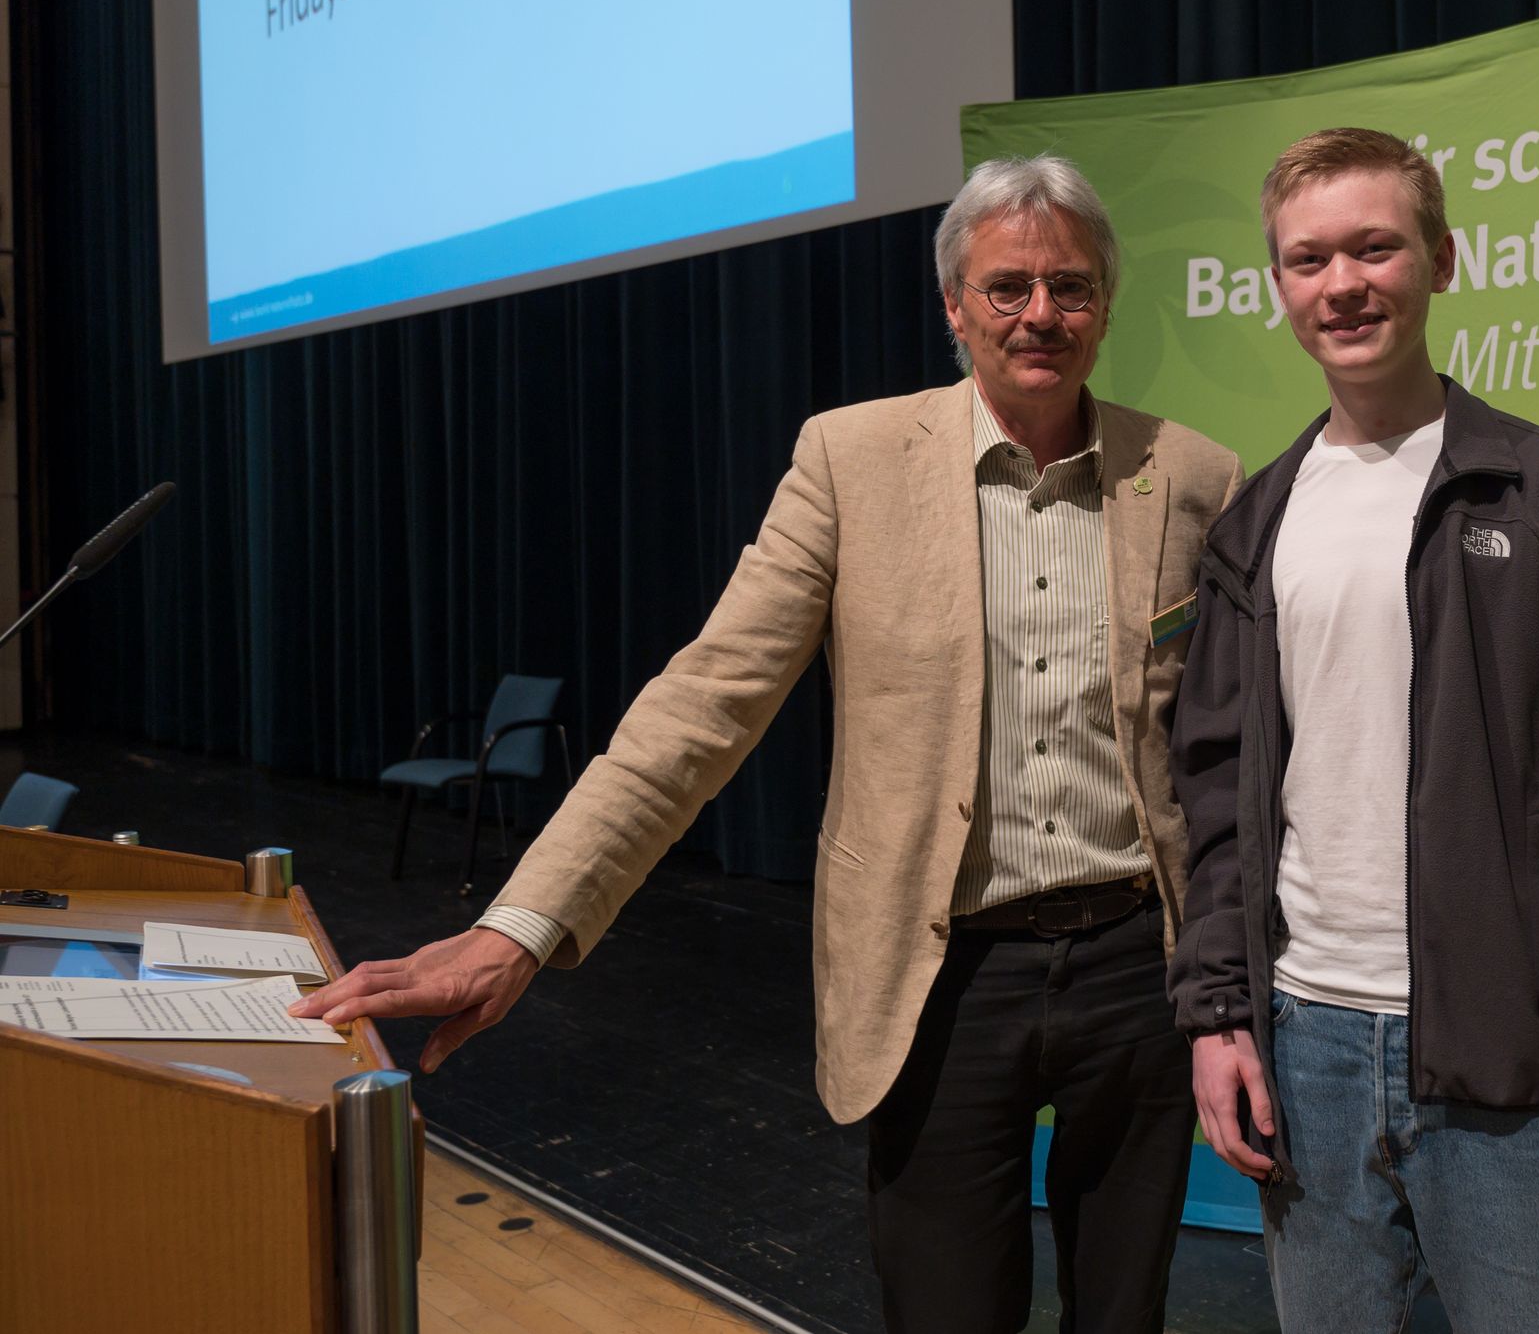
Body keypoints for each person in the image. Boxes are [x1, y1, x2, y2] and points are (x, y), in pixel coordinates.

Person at [297, 156, 1243, 1334]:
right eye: (1007, 287)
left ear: (1106, 302)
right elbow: (704, 706)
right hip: (939, 977)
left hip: (1137, 973)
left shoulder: (1193, 475)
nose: (1040, 313)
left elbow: (1230, 755)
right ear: (954, 305)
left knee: (1126, 1315)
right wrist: (519, 927)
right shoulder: (851, 461)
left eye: (1071, 286)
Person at [1168, 128, 1539, 1331]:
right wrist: (1219, 1016)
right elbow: (1218, 799)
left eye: (1375, 248)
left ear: (1442, 260)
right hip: (1305, 1049)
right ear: (1278, 285)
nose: (1342, 284)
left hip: (1513, 1061)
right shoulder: (1256, 523)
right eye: (1310, 259)